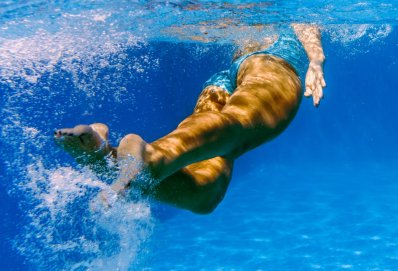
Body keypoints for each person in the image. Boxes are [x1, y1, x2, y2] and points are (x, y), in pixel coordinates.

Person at [54, 23, 326, 214]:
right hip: (272, 62)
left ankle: (105, 157)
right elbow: (306, 25)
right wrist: (315, 61)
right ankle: (150, 157)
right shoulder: (291, 0)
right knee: (237, 126)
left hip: (222, 80)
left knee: (207, 193)